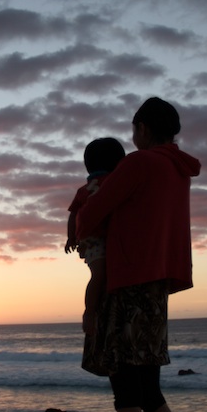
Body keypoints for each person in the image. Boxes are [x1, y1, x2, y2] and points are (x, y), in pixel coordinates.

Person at [76, 97, 200, 412]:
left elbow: (92, 214)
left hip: (125, 286)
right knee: (151, 392)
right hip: (155, 290)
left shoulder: (139, 163)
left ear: (143, 128)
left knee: (126, 395)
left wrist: (80, 221)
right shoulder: (178, 171)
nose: (132, 137)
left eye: (134, 129)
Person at [65, 137, 127, 336]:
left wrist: (71, 237)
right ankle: (90, 312)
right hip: (94, 239)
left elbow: (73, 214)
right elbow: (74, 213)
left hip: (99, 237)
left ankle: (98, 310)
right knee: (99, 274)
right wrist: (71, 237)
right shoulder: (111, 183)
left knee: (103, 275)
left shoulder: (88, 188)